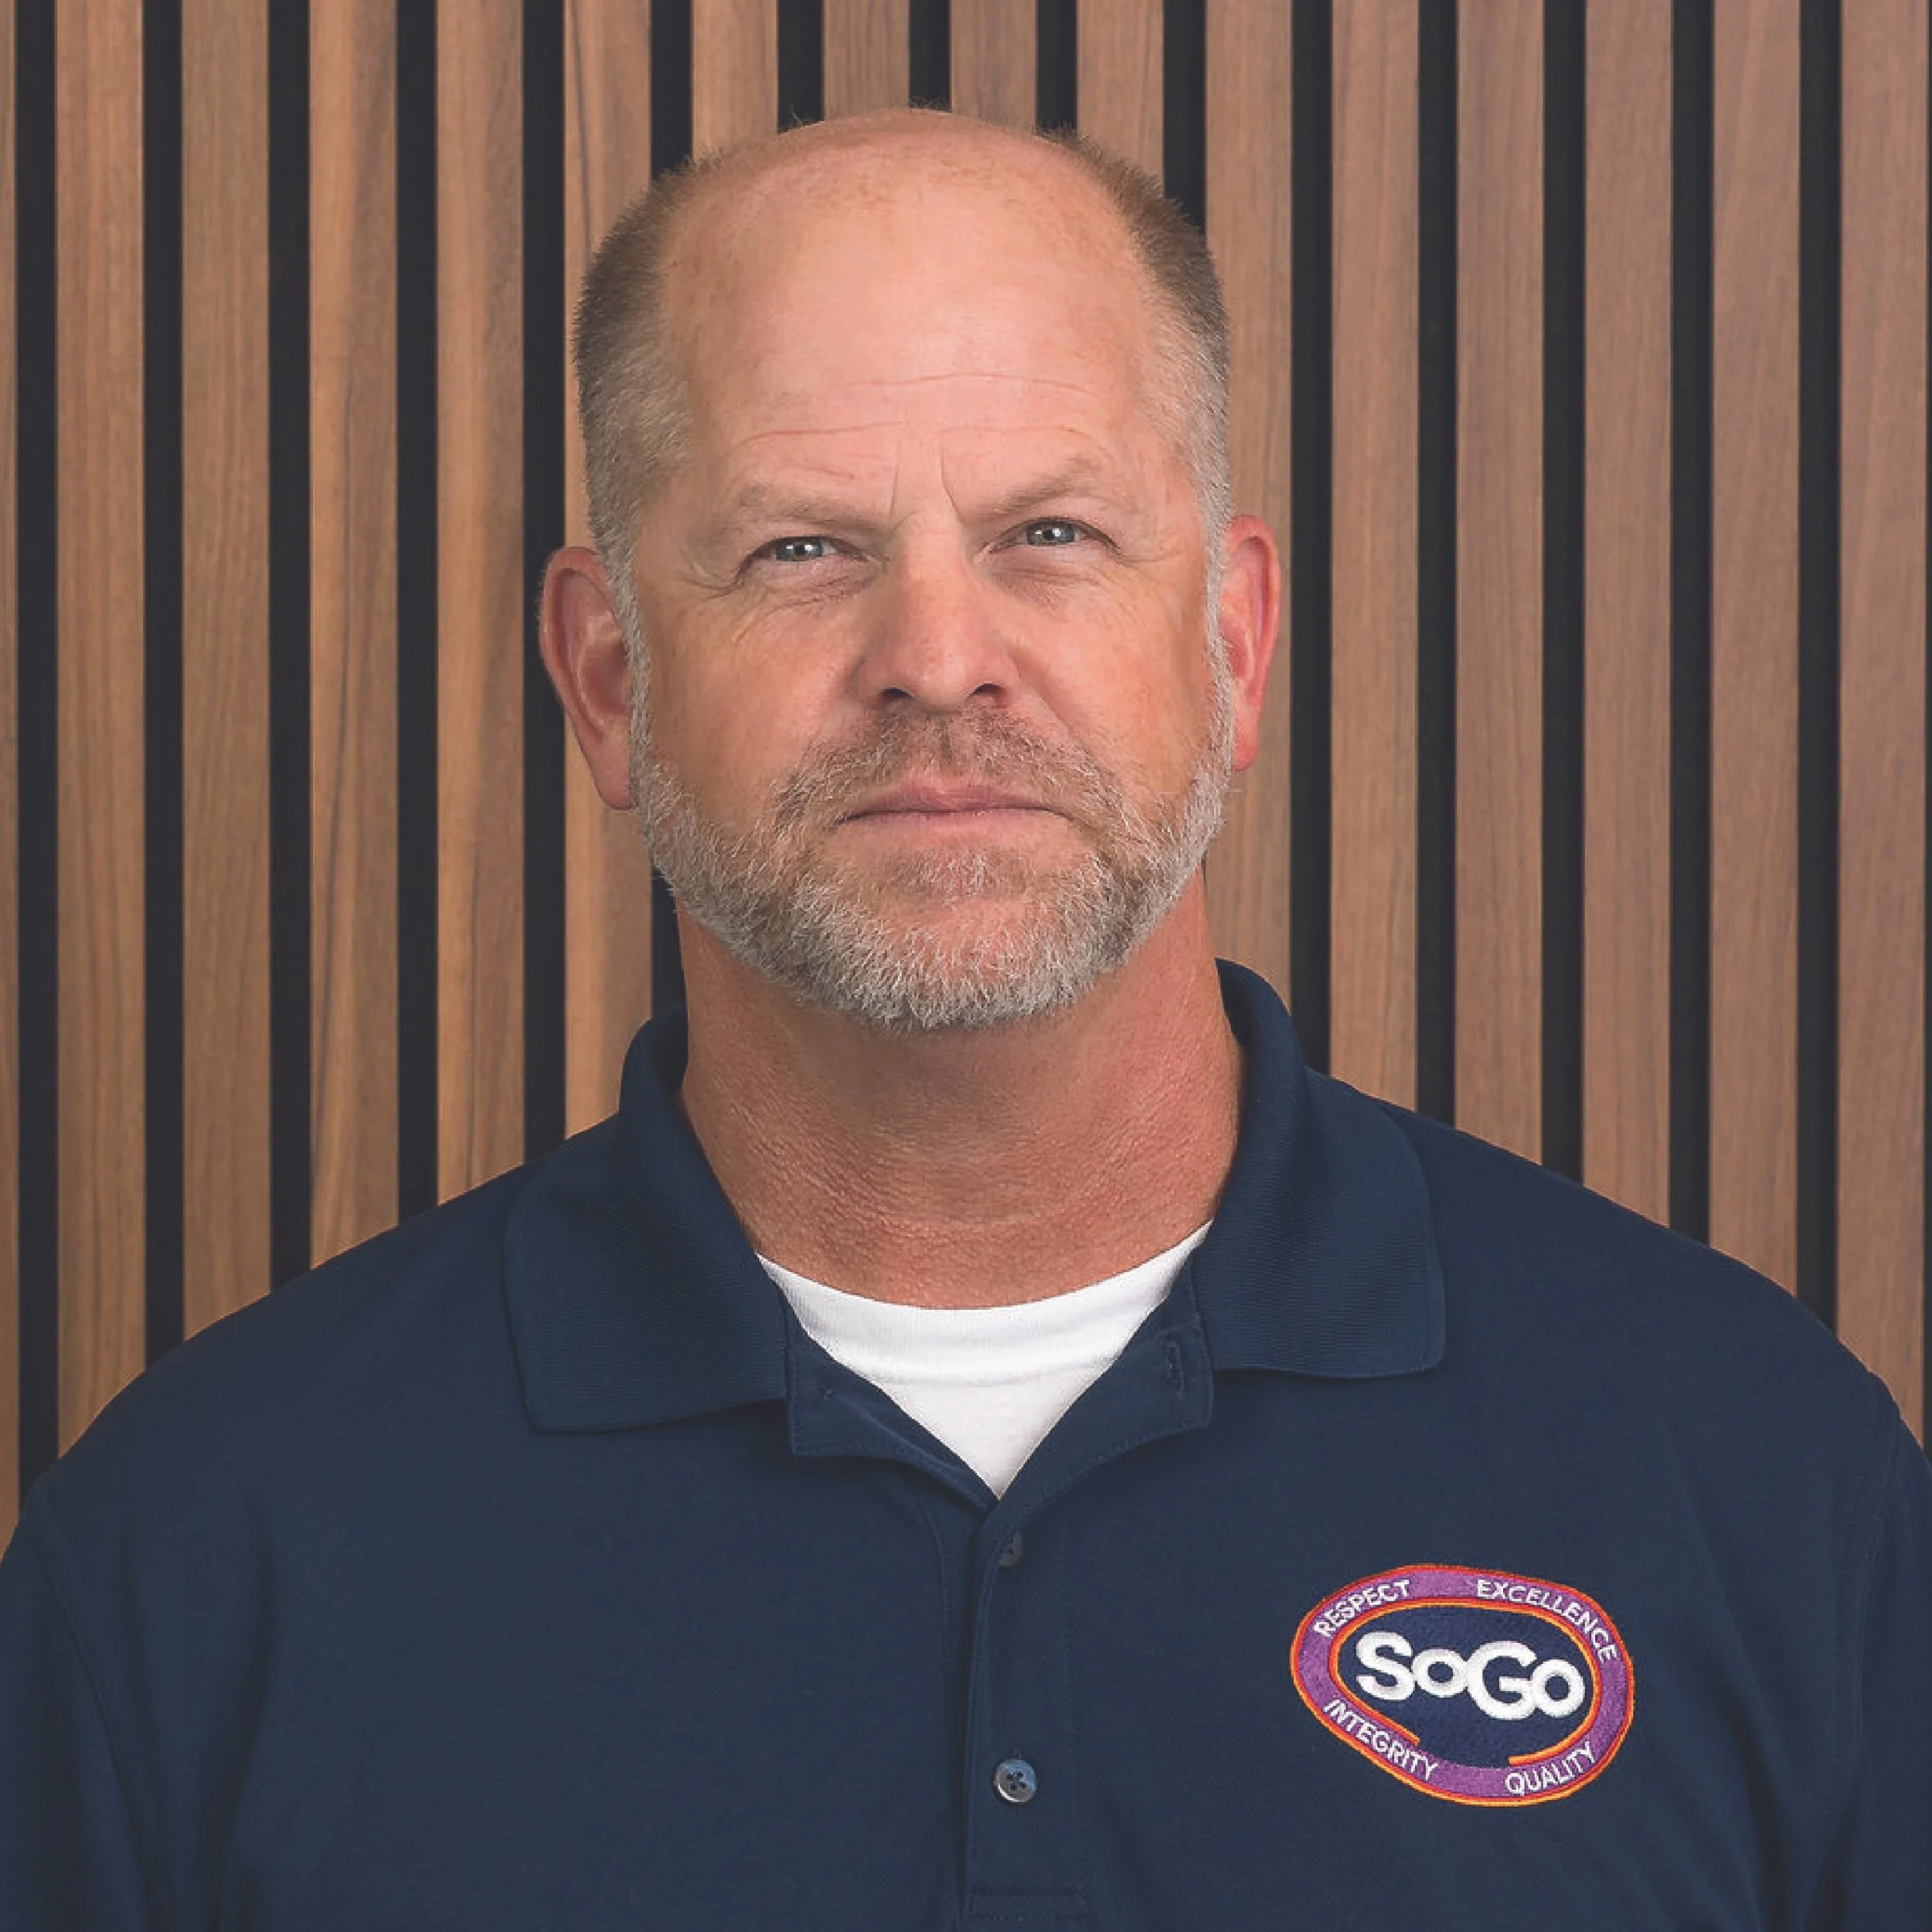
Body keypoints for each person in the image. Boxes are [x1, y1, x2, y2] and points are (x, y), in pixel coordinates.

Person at [2, 107, 1927, 1930]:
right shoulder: (198, 1554)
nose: (936, 657)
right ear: (607, 679)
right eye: (800, 548)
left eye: (1051, 536)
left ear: (1232, 646)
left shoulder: (1753, 1474)